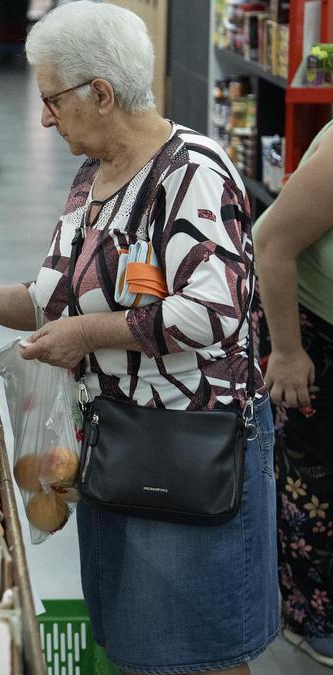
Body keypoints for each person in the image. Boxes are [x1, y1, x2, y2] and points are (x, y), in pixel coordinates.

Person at [0, 4, 276, 674]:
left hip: (191, 450)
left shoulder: (194, 174)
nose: (44, 116)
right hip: (117, 444)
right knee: (137, 645)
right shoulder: (93, 177)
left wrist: (87, 334)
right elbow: (53, 295)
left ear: (100, 93)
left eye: (51, 99)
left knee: (198, 656)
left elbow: (213, 311)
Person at [253, 120, 333, 667]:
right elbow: (270, 242)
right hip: (307, 331)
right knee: (312, 483)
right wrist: (286, 351)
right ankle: (308, 616)